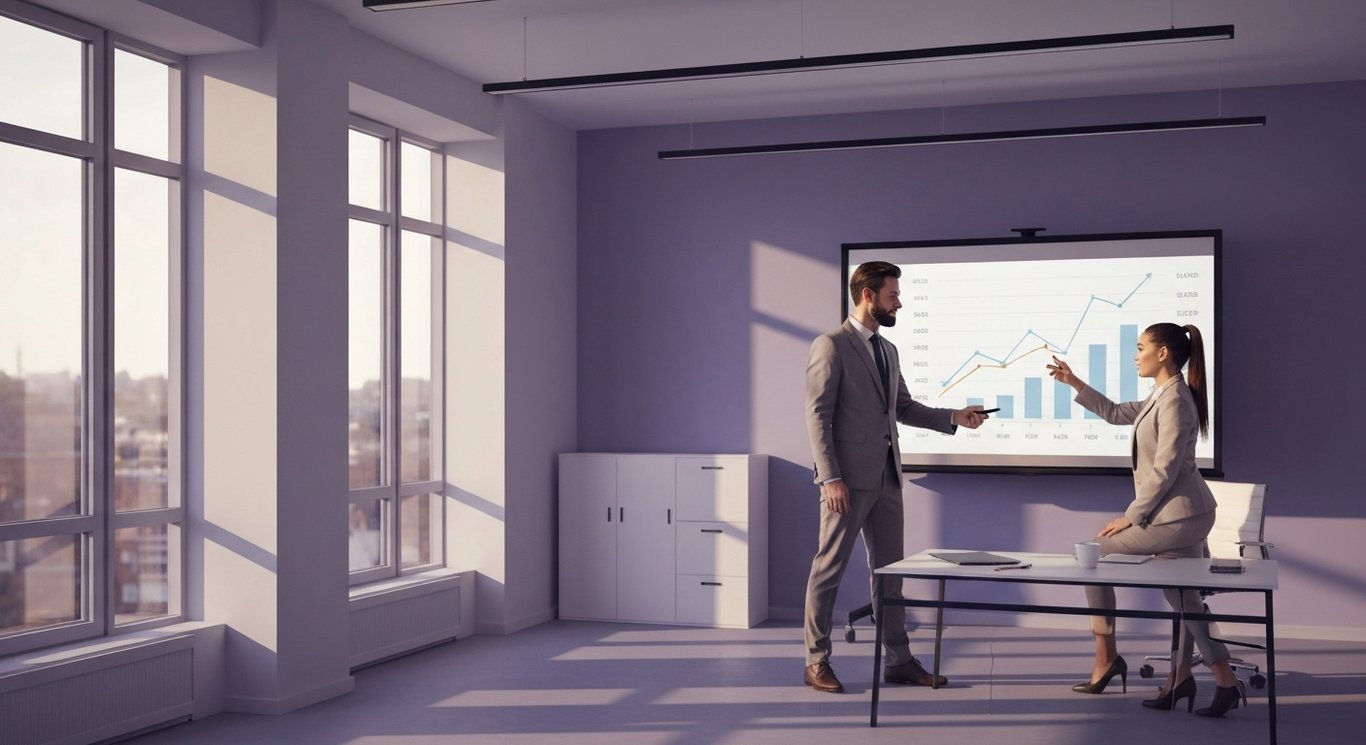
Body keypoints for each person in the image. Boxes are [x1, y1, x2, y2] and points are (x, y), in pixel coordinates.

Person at [802, 260, 989, 694]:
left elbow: (901, 407)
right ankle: (815, 660)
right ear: (868, 295)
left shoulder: (887, 350)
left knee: (890, 575)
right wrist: (830, 478)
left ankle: (899, 660)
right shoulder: (830, 346)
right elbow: (817, 416)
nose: (899, 303)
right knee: (828, 569)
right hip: (846, 482)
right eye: (893, 296)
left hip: (887, 477)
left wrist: (954, 417)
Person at [1047, 323, 1245, 718]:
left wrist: (1131, 516)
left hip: (1179, 517)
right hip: (1188, 514)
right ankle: (1216, 680)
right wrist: (1075, 383)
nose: (1135, 356)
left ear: (1163, 353)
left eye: (1140, 348)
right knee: (1184, 597)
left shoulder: (1176, 400)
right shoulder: (1163, 394)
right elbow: (1114, 413)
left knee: (1092, 556)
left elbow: (1165, 469)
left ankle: (1107, 658)